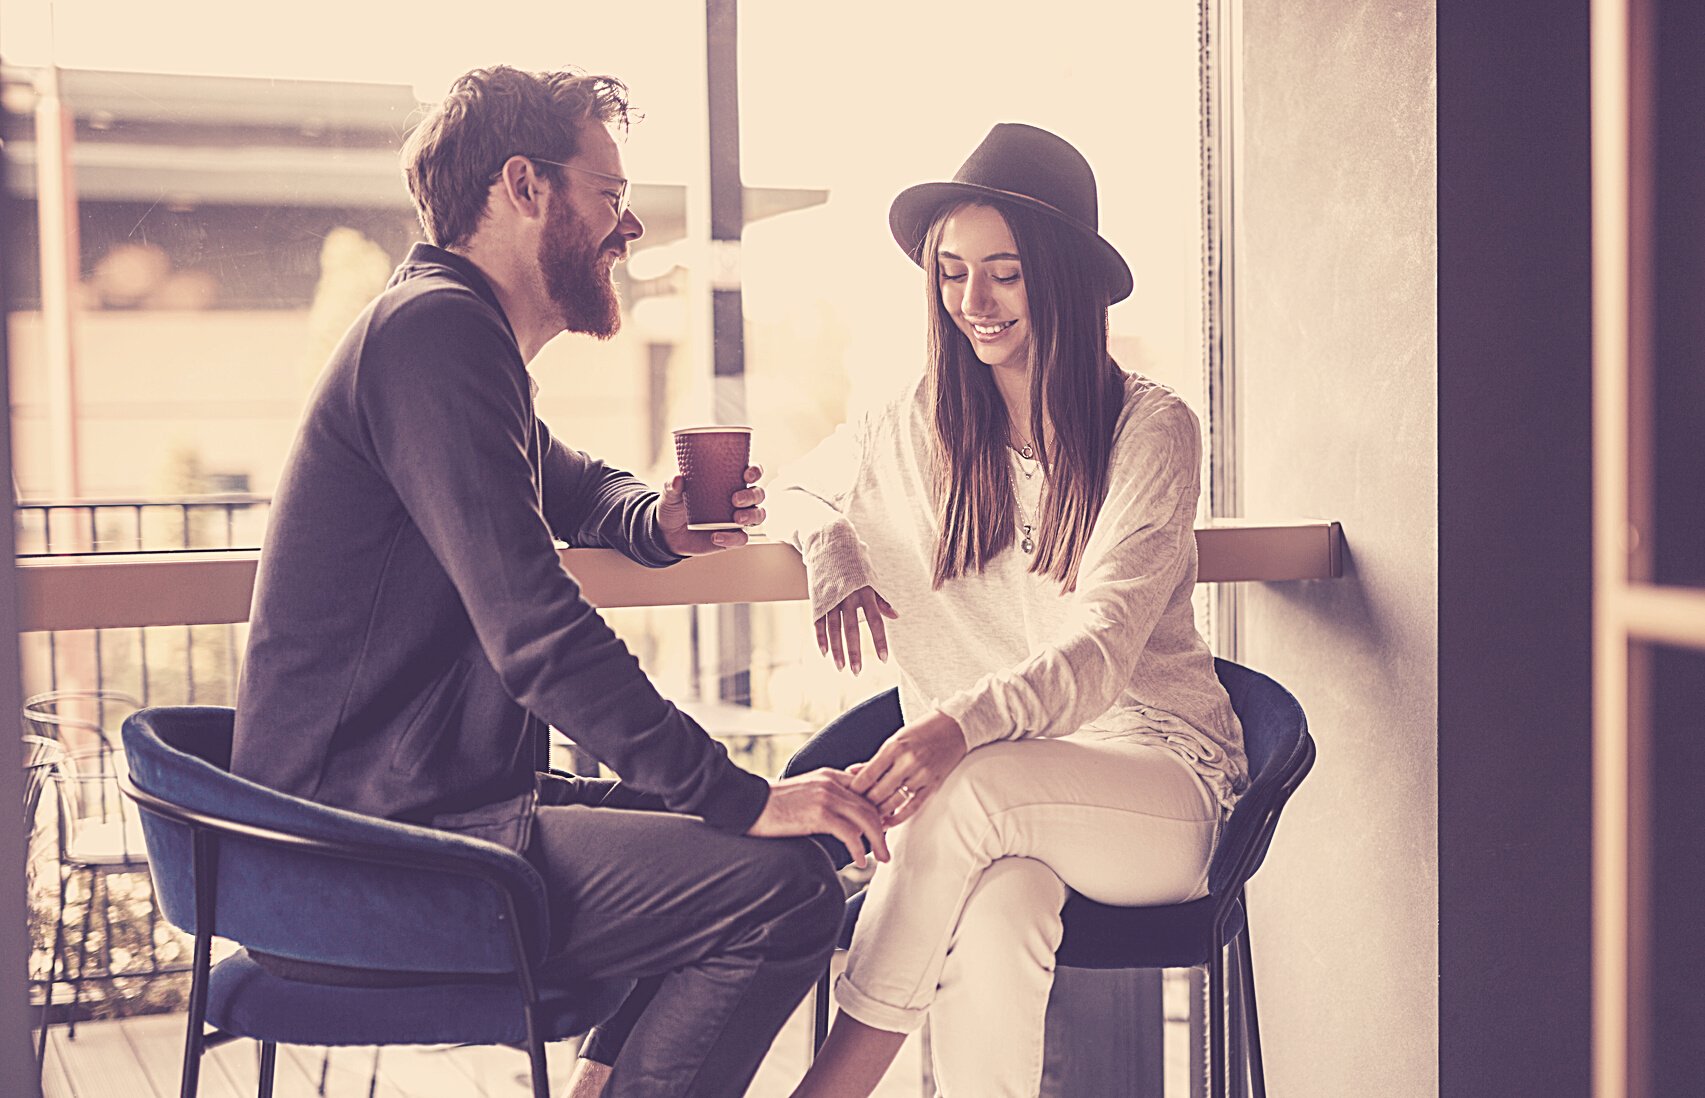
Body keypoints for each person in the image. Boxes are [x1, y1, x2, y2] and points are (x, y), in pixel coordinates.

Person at [231, 65, 888, 1098]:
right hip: (362, 850)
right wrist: (740, 793)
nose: (627, 231)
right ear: (524, 187)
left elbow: (579, 487)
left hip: (415, 812)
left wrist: (659, 522)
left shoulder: (453, 338)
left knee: (793, 864)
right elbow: (536, 630)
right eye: (610, 196)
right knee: (775, 891)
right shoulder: (434, 335)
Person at [767, 123, 1250, 1097]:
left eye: (1004, 274)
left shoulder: (1147, 429)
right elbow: (797, 484)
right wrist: (826, 543)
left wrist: (956, 728)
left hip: (1163, 785)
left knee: (967, 793)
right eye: (951, 272)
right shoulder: (918, 427)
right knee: (995, 915)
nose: (971, 303)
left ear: (1061, 276)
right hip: (1011, 813)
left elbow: (1099, 650)